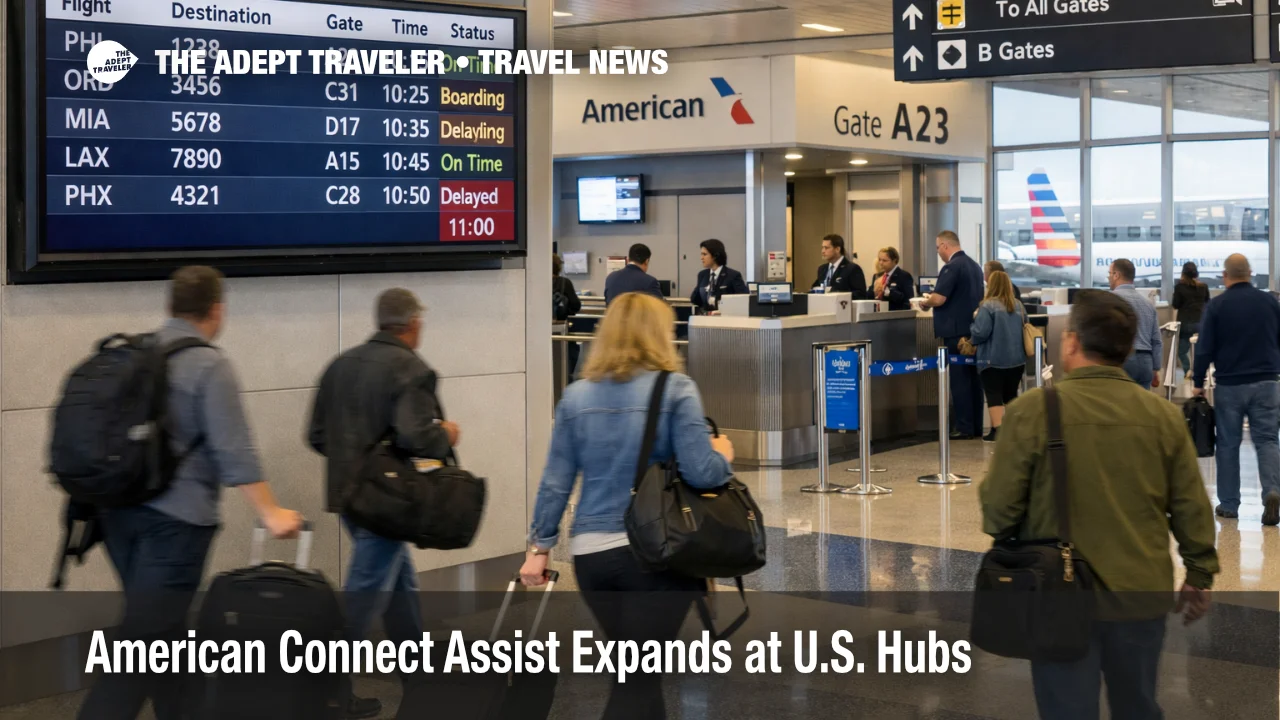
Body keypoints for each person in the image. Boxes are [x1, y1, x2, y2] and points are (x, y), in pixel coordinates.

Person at [981, 289, 1218, 720]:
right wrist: (1199, 574)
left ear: (1070, 342)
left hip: (1057, 598)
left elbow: (998, 511)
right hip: (1140, 596)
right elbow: (1191, 506)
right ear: (1128, 349)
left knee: (1066, 710)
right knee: (1138, 706)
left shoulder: (1032, 411)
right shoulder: (1162, 416)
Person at [79, 266, 304, 720]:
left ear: (171, 307)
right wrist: (271, 512)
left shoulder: (136, 352)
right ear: (216, 310)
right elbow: (233, 452)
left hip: (117, 517)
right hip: (175, 527)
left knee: (166, 636)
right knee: (141, 648)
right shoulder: (209, 364)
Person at [520, 292, 735, 720]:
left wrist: (539, 548)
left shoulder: (576, 397)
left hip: (592, 558)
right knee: (636, 681)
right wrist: (723, 453)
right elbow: (703, 473)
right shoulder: (676, 390)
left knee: (635, 674)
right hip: (655, 556)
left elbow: (556, 479)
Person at [308, 288, 460, 719]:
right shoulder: (411, 369)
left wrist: (353, 466)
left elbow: (317, 436)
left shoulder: (340, 365)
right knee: (362, 598)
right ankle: (327, 693)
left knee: (400, 590)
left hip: (349, 499)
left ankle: (419, 682)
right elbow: (418, 436)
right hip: (388, 502)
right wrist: (445, 434)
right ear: (412, 324)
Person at [1193, 254, 1280, 524]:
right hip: (1267, 382)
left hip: (1230, 385)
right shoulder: (1270, 302)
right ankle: (1272, 491)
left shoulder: (1217, 305)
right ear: (1251, 273)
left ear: (1225, 276)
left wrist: (1197, 383)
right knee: (1267, 440)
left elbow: (1204, 346)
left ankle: (1229, 504)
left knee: (1228, 444)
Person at [921, 231, 985, 439]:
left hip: (955, 333)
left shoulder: (952, 266)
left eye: (938, 248)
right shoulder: (974, 265)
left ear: (945, 246)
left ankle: (964, 427)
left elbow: (939, 299)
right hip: (972, 331)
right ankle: (974, 425)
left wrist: (925, 301)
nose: (938, 252)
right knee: (974, 380)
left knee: (959, 381)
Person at [969, 271, 1026, 443]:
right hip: (1017, 359)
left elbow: (980, 333)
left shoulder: (987, 306)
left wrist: (973, 323)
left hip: (992, 359)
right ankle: (1012, 429)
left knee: (993, 394)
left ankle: (997, 430)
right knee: (1011, 394)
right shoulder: (1018, 305)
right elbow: (1026, 326)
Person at [1108, 259, 1161, 389]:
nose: (1108, 278)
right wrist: (1155, 368)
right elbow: (1157, 341)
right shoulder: (1148, 304)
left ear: (1116, 275)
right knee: (1142, 406)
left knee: (1119, 406)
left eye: (1109, 274)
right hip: (1145, 362)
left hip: (1122, 361)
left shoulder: (1109, 301)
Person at [689, 238, 748, 313]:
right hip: (706, 318)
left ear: (715, 255)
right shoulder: (702, 275)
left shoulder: (733, 275)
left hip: (725, 318)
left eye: (705, 254)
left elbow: (744, 300)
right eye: (701, 254)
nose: (701, 258)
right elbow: (695, 299)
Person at [1172, 262, 1210, 377]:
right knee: (1200, 350)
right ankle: (1200, 373)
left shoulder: (1179, 287)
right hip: (1200, 322)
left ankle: (1188, 370)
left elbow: (1175, 304)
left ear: (1183, 273)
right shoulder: (1203, 287)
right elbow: (1208, 302)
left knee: (1182, 352)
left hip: (1185, 323)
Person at [553, 254, 584, 376]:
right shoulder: (564, 283)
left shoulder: (537, 283)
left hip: (540, 331)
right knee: (565, 366)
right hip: (562, 330)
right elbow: (576, 305)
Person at [811, 234, 867, 298]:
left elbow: (860, 294)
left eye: (826, 248)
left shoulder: (852, 269)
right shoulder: (822, 269)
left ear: (837, 249)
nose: (823, 251)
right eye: (822, 247)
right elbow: (815, 288)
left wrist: (836, 293)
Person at [871, 246, 915, 311]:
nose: (881, 263)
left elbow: (907, 300)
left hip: (896, 313)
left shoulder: (904, 276)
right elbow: (868, 296)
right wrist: (874, 291)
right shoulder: (878, 276)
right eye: (879, 260)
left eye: (884, 260)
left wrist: (886, 291)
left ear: (894, 261)